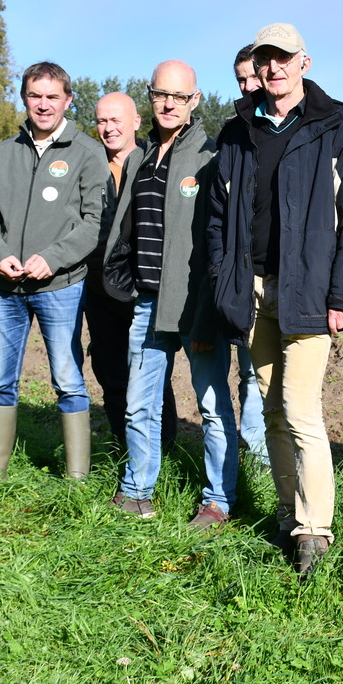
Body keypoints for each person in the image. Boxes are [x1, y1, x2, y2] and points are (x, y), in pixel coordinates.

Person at [208, 23, 343, 576]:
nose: (273, 69)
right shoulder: (236, 131)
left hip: (308, 291)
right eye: (265, 60)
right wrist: (222, 275)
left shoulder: (336, 125)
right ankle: (288, 509)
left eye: (283, 59)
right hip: (251, 289)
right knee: (271, 406)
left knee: (301, 409)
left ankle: (314, 529)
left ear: (304, 62)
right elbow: (217, 216)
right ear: (256, 66)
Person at [102, 60, 236, 525]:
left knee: (212, 406)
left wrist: (207, 312)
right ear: (150, 95)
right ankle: (137, 491)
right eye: (160, 94)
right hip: (147, 302)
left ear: (194, 100)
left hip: (195, 306)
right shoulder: (140, 158)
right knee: (140, 405)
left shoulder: (211, 157)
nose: (168, 104)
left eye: (178, 96)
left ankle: (218, 500)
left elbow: (219, 244)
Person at [0, 61, 108, 480]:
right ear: (25, 99)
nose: (44, 105)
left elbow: (95, 221)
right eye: (36, 95)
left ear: (68, 100)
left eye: (53, 96)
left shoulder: (87, 152)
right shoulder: (2, 153)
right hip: (4, 286)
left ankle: (76, 477)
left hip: (60, 286)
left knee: (67, 379)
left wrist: (52, 257)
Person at [86, 93, 177, 452]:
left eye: (115, 120)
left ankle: (164, 449)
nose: (108, 128)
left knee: (152, 374)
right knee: (110, 371)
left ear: (136, 122)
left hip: (144, 287)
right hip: (99, 288)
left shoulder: (153, 161)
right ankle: (122, 446)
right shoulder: (89, 165)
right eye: (101, 121)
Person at [226, 44, 268, 466]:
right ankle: (256, 454)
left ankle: (268, 454)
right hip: (243, 272)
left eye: (252, 75)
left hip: (281, 275)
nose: (247, 85)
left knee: (273, 377)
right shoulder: (235, 131)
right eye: (240, 78)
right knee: (248, 372)